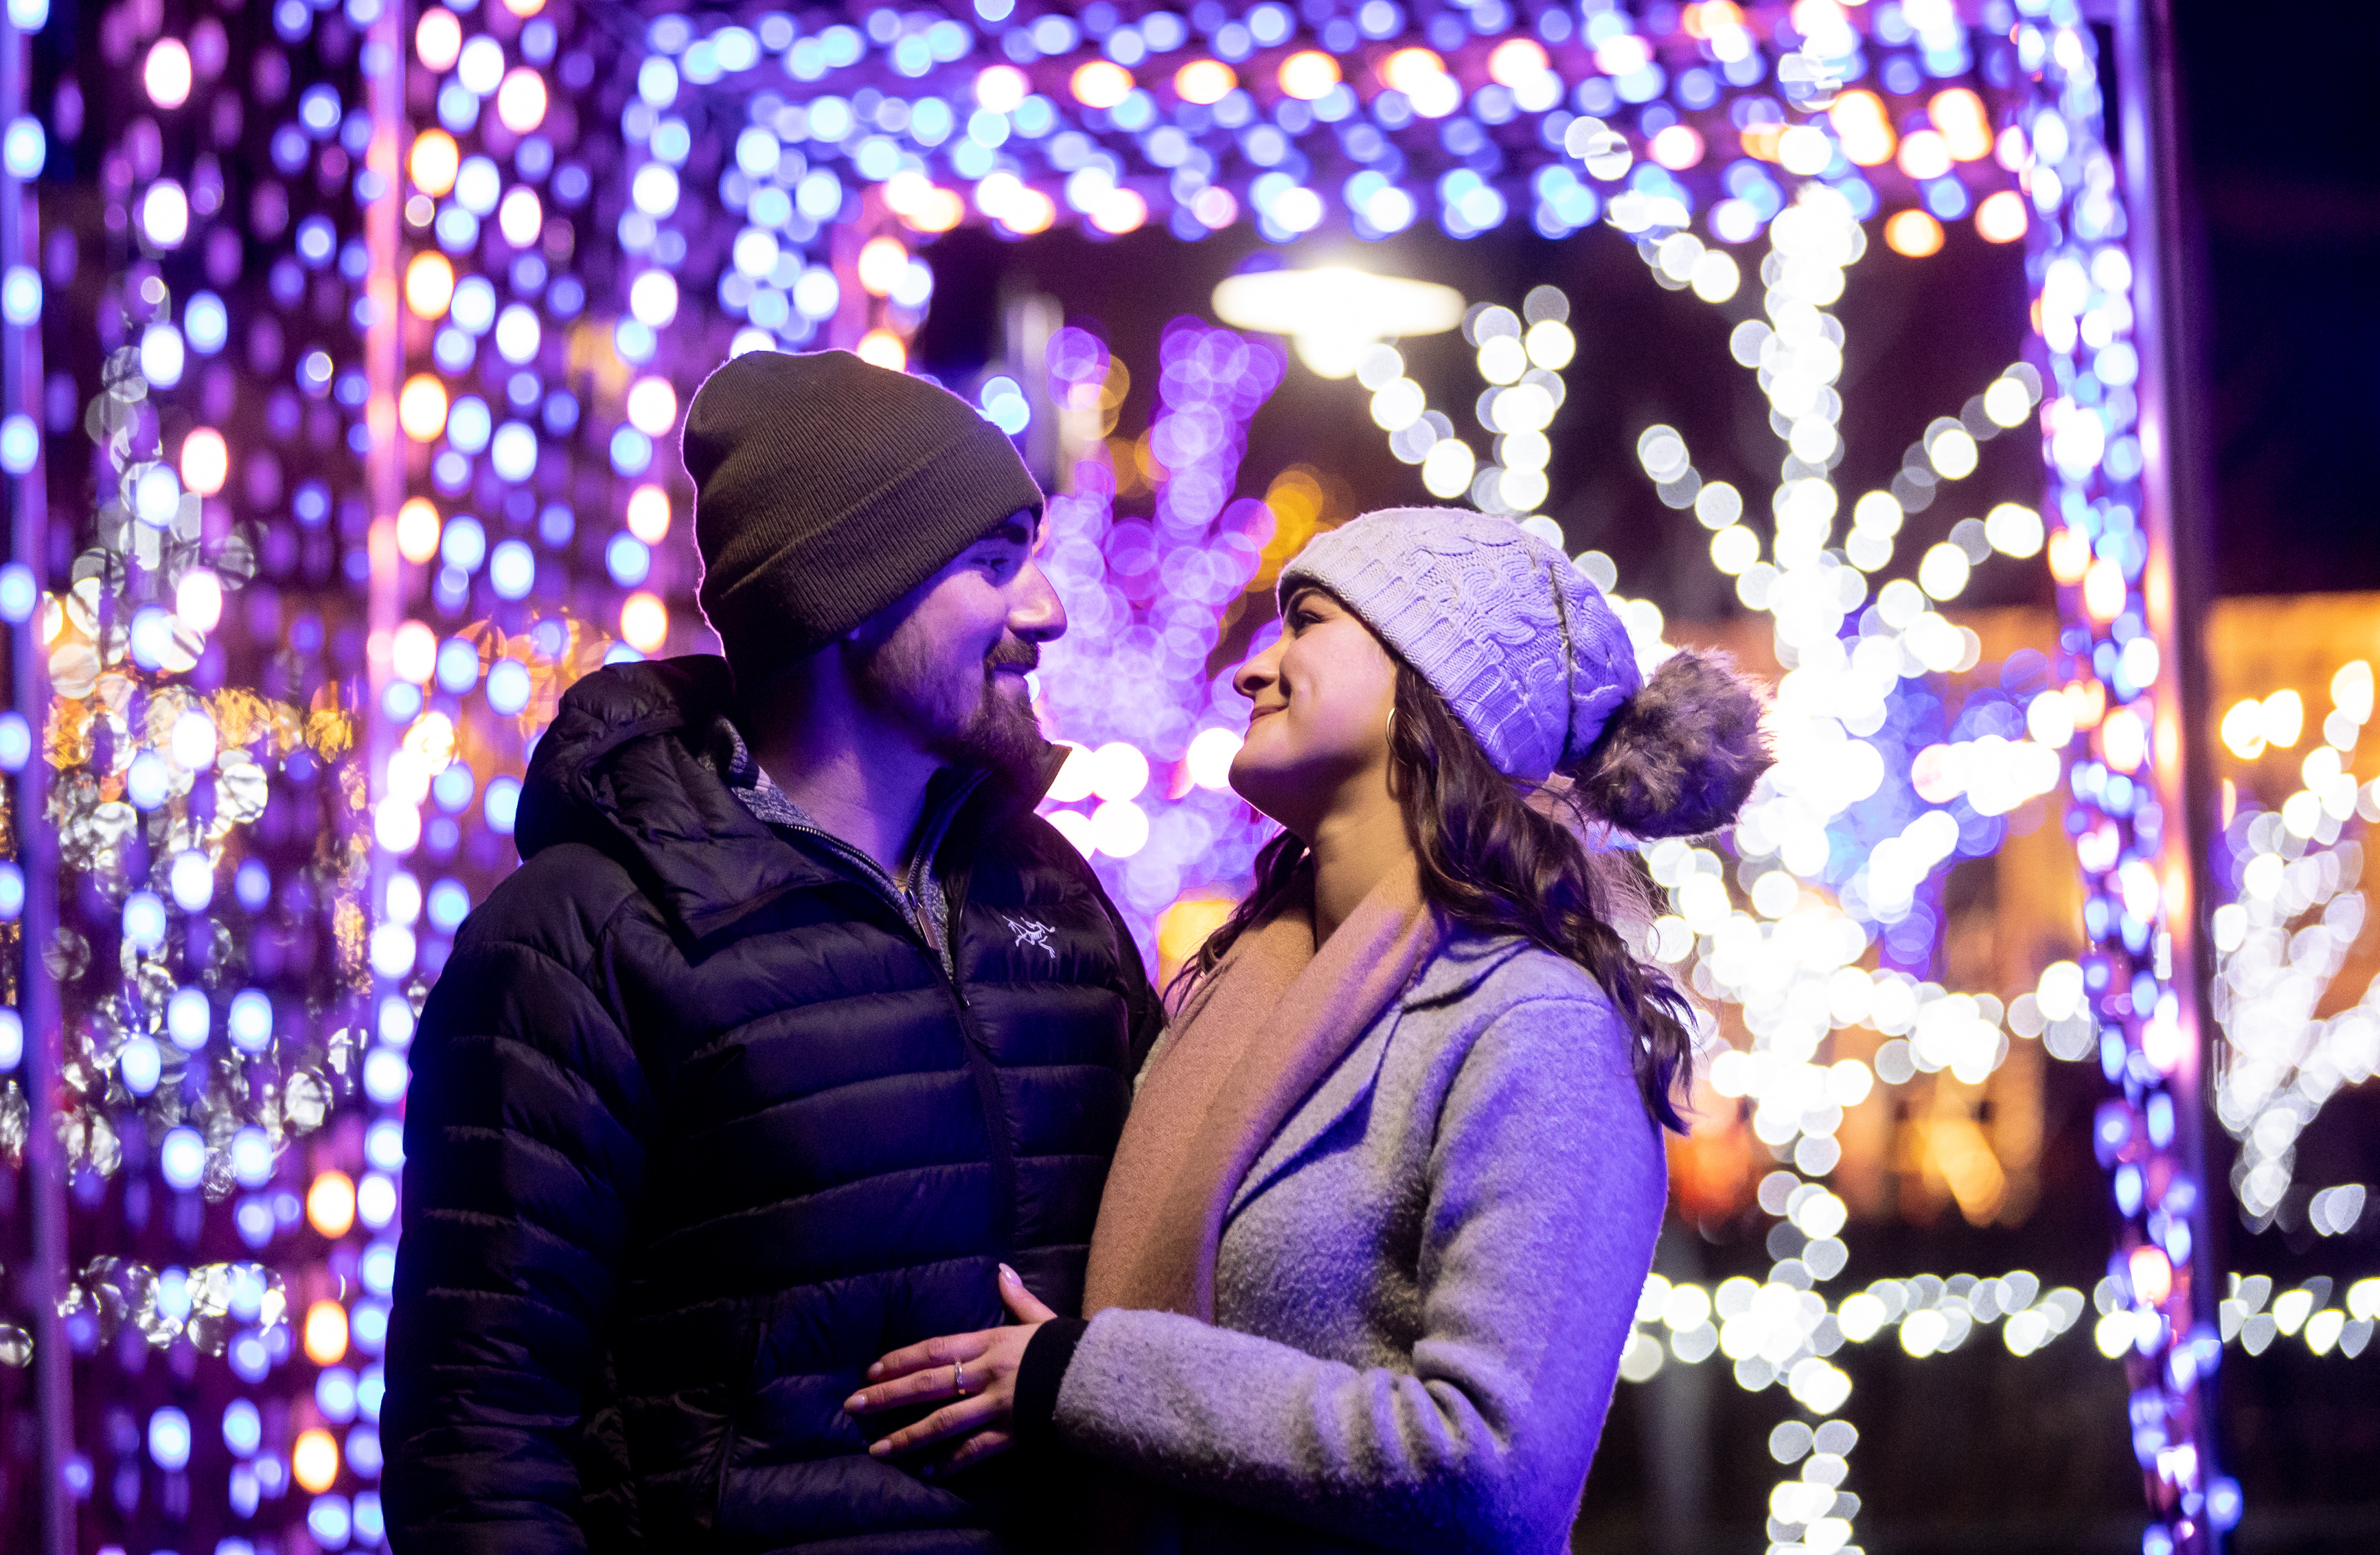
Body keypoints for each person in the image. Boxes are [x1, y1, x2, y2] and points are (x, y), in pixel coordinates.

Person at [844, 506, 1772, 1553]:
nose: (1253, 670)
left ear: (1433, 687)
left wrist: (1086, 1377)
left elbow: (1491, 1468)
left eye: (1310, 625)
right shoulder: (1237, 993)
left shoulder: (1535, 1024)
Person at [384, 350, 1163, 1554]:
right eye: (994, 564)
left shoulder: (1054, 899)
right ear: (848, 597)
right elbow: (477, 1447)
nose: (1046, 609)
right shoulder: (583, 940)